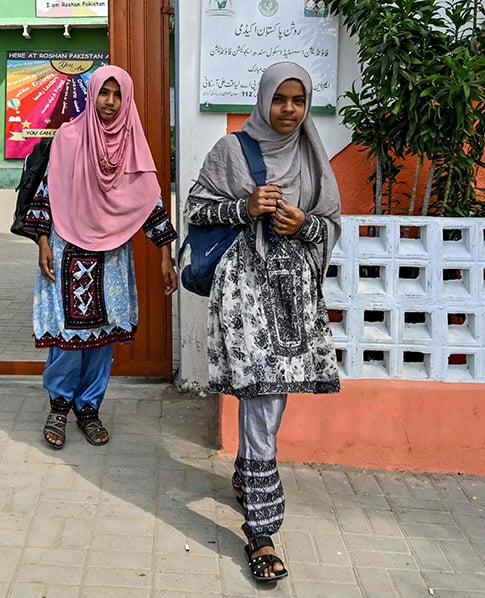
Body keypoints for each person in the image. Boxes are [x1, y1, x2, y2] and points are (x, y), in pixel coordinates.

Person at [185, 62, 342, 584]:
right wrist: (245, 206)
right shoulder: (231, 151)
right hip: (245, 295)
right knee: (261, 395)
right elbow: (196, 209)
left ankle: (246, 478)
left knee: (271, 401)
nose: (290, 110)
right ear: (263, 99)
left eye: (299, 100)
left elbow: (332, 224)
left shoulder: (311, 156)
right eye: (281, 99)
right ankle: (262, 529)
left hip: (292, 297)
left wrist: (307, 222)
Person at [20, 64, 178, 450]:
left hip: (110, 256)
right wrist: (42, 241)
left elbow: (148, 202)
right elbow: (47, 191)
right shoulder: (69, 138)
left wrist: (165, 254)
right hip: (64, 249)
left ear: (127, 99)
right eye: (103, 93)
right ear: (92, 95)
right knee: (66, 334)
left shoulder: (131, 144)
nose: (110, 102)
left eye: (117, 94)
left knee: (101, 338)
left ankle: (89, 409)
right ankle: (59, 407)